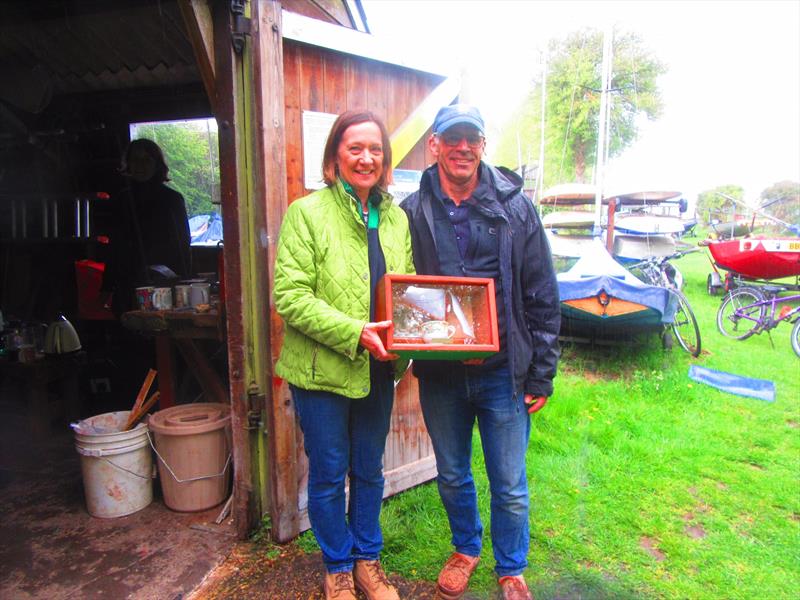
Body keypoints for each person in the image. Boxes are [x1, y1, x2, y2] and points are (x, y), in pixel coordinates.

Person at [400, 104, 561, 600]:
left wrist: (542, 372)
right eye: (453, 139)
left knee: (509, 482)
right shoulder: (411, 209)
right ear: (436, 145)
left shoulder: (516, 207)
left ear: (483, 144)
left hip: (504, 373)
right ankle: (466, 549)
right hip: (442, 374)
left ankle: (511, 566)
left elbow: (541, 291)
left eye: (472, 138)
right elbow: (401, 289)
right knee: (451, 473)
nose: (462, 147)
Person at [273, 110, 414, 600]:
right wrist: (355, 332)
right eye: (355, 148)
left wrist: (415, 339)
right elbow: (289, 296)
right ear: (335, 156)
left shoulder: (396, 218)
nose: (366, 157)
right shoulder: (307, 213)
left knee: (369, 469)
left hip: (379, 368)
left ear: (385, 159)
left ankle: (366, 562)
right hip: (321, 372)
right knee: (330, 472)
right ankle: (337, 565)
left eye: (375, 149)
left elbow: (408, 290)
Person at [101, 138, 191, 316]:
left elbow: (182, 243)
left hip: (163, 283)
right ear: (128, 164)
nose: (140, 165)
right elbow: (114, 246)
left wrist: (183, 283)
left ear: (157, 165)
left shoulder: (172, 200)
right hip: (126, 282)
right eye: (135, 160)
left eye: (146, 160)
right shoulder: (122, 200)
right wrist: (107, 286)